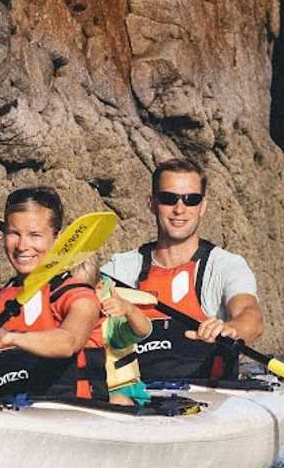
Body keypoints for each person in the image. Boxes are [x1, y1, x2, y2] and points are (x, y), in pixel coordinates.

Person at [101, 158, 263, 382]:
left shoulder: (226, 266)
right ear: (152, 203)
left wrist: (230, 329)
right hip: (136, 392)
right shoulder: (121, 267)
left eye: (191, 200)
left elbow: (250, 315)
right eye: (168, 199)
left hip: (207, 395)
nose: (179, 209)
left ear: (202, 207)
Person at [0, 187, 106, 401]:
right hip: (8, 420)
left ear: (57, 238)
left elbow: (68, 342)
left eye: (35, 235)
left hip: (75, 417)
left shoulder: (79, 297)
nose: (23, 246)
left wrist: (9, 337)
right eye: (14, 234)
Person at [70, 255, 152, 406]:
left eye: (82, 293)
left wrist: (129, 310)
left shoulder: (111, 317)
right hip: (80, 392)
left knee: (117, 401)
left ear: (99, 287)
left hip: (122, 393)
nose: (75, 300)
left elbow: (143, 330)